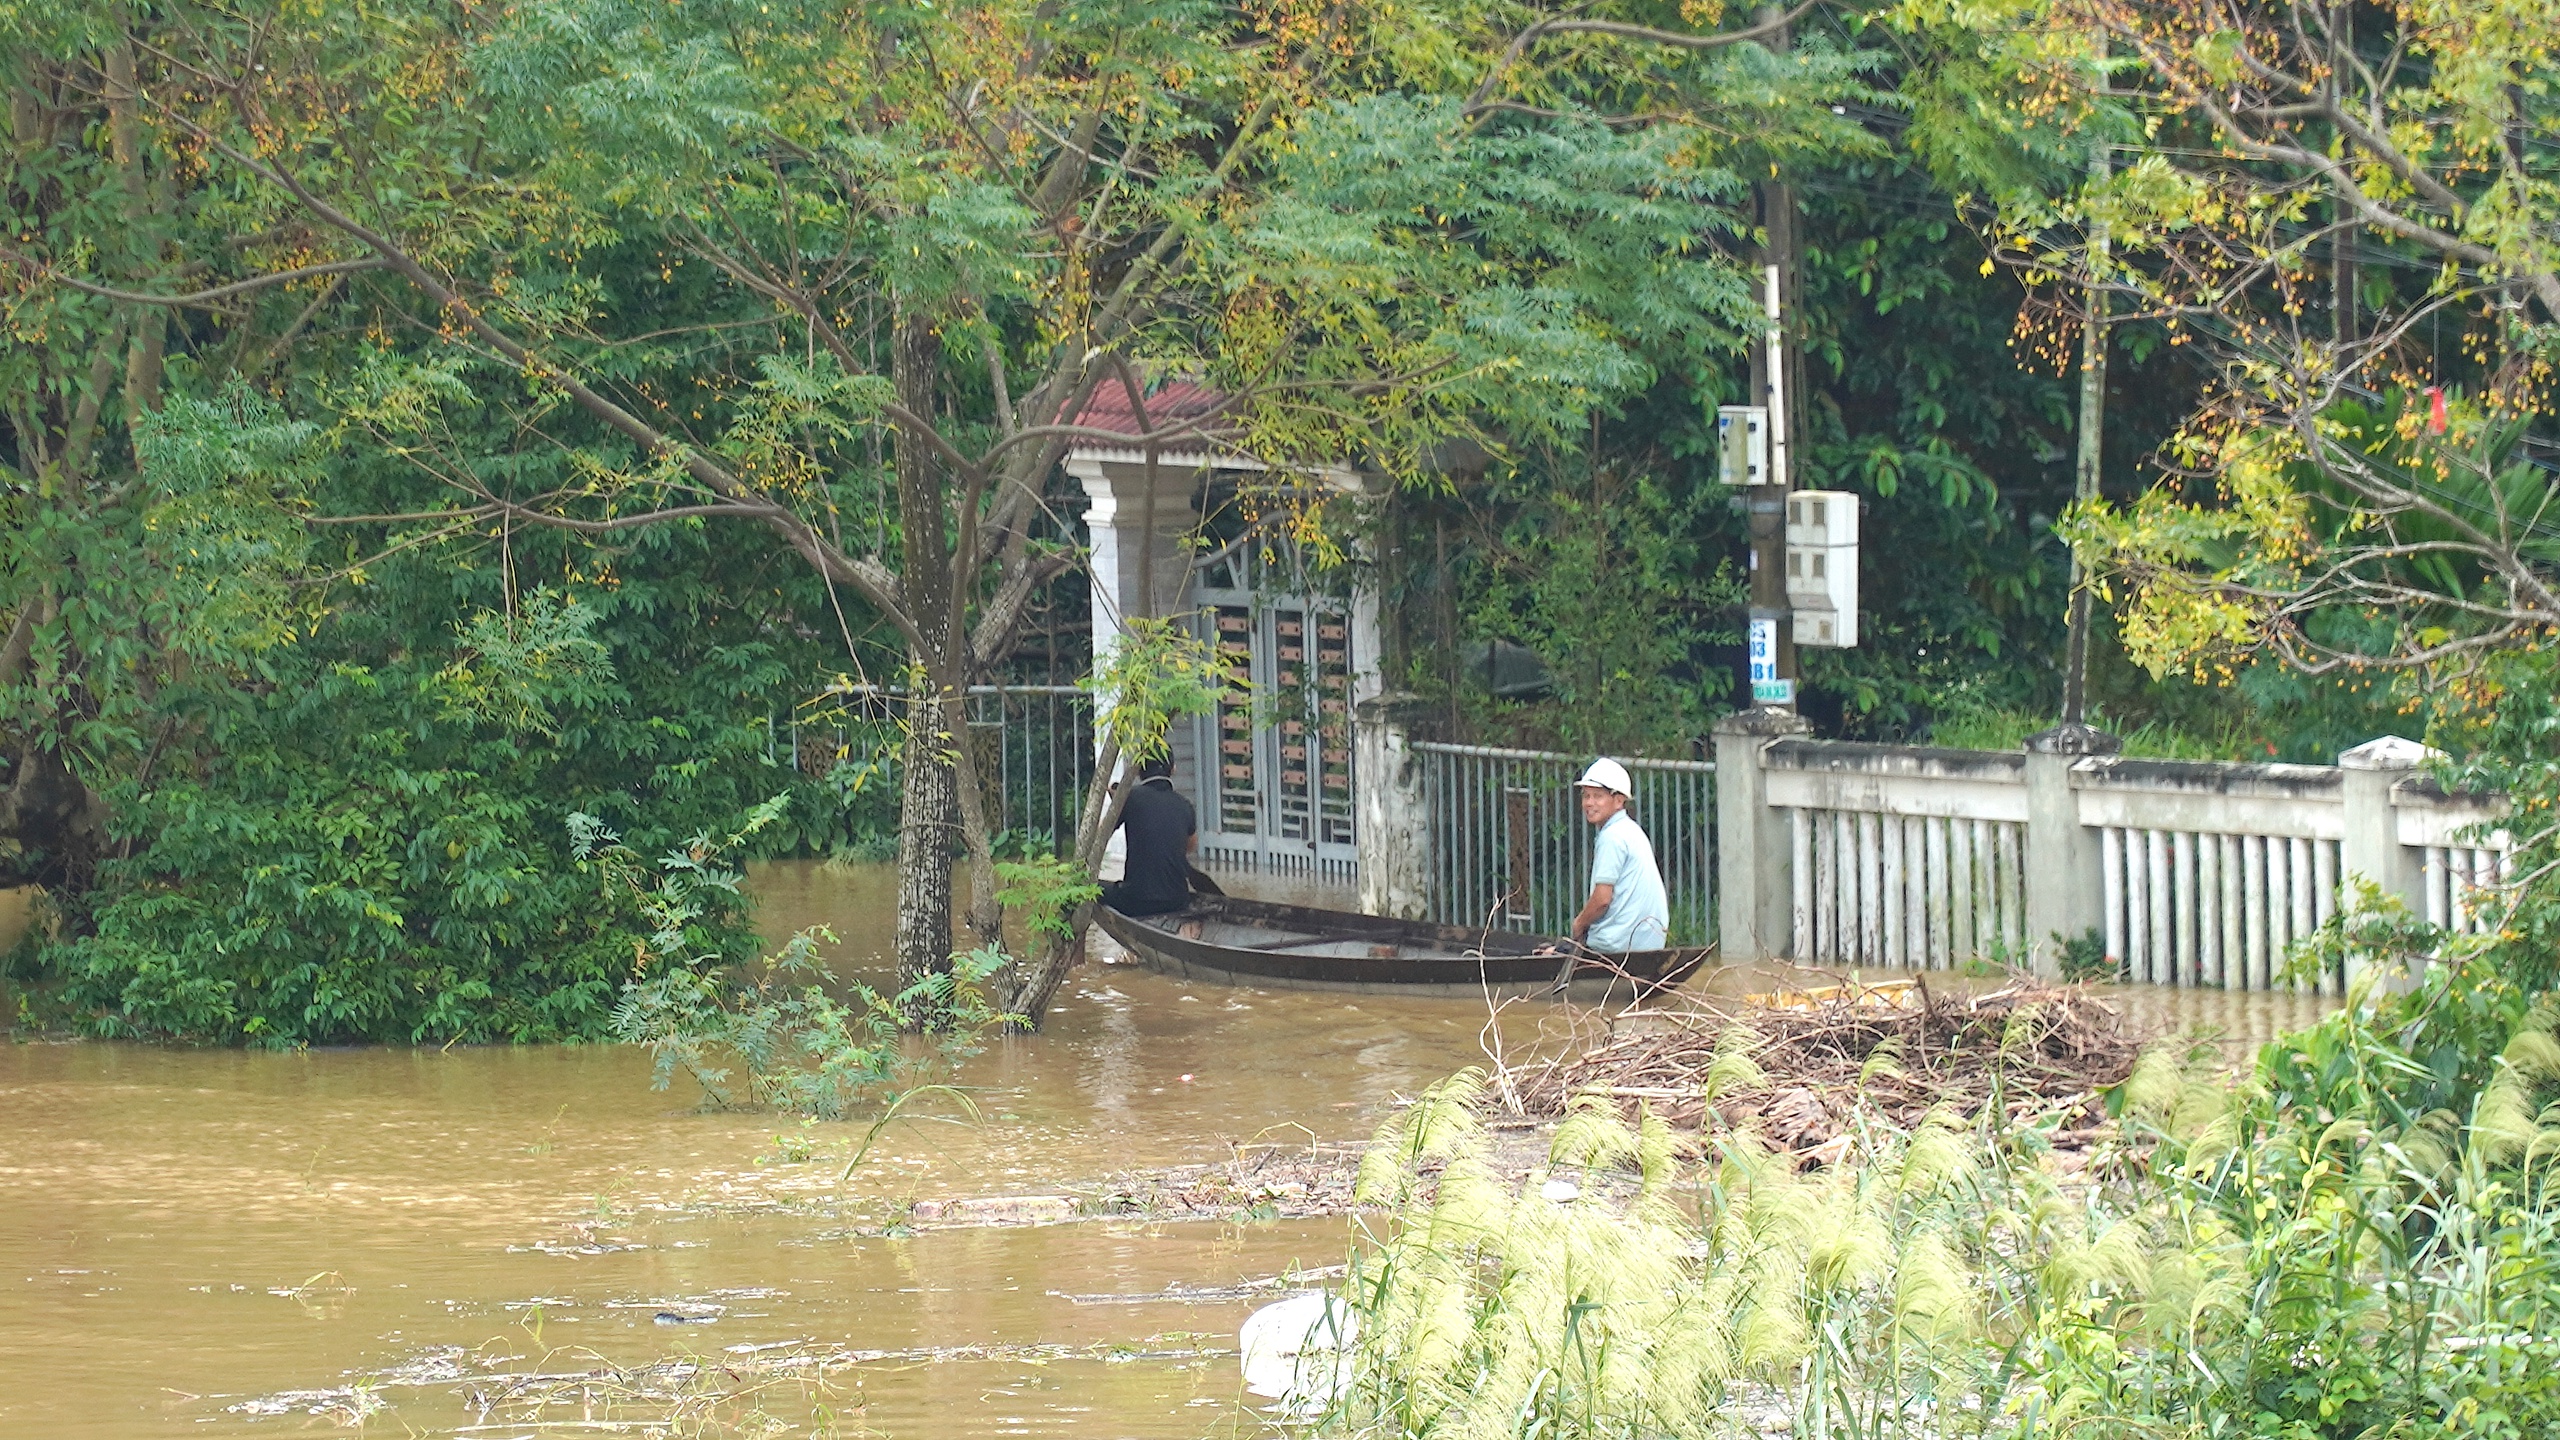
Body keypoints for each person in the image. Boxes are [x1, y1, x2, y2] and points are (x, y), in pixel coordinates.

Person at [1564, 757, 1669, 952]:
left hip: (1616, 944)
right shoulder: (1631, 830)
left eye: (1598, 796)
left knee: (1548, 952)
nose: (1589, 803)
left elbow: (1602, 900)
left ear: (1619, 800)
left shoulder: (1612, 837)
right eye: (1586, 796)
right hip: (1649, 943)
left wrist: (1579, 923)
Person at [1099, 753, 1197, 916]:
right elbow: (1190, 846)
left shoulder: (1130, 797)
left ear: (1138, 771)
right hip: (1178, 901)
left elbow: (1100, 836)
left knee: (1085, 888)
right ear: (1173, 769)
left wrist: (1116, 803)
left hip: (1137, 901)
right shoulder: (1185, 805)